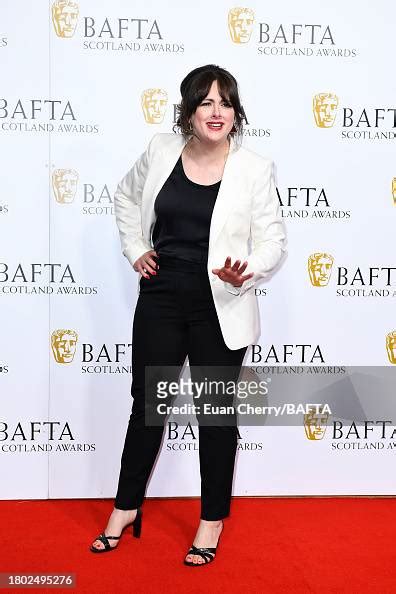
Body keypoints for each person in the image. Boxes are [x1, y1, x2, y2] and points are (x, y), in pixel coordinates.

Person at [89, 64, 286, 565]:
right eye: (206, 102)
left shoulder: (255, 168)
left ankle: (210, 519)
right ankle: (125, 508)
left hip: (220, 304)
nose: (216, 112)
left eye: (225, 102)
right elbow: (126, 198)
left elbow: (273, 240)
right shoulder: (160, 151)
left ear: (236, 112)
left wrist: (249, 271)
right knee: (147, 408)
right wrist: (135, 247)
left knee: (216, 418)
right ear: (189, 111)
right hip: (161, 298)